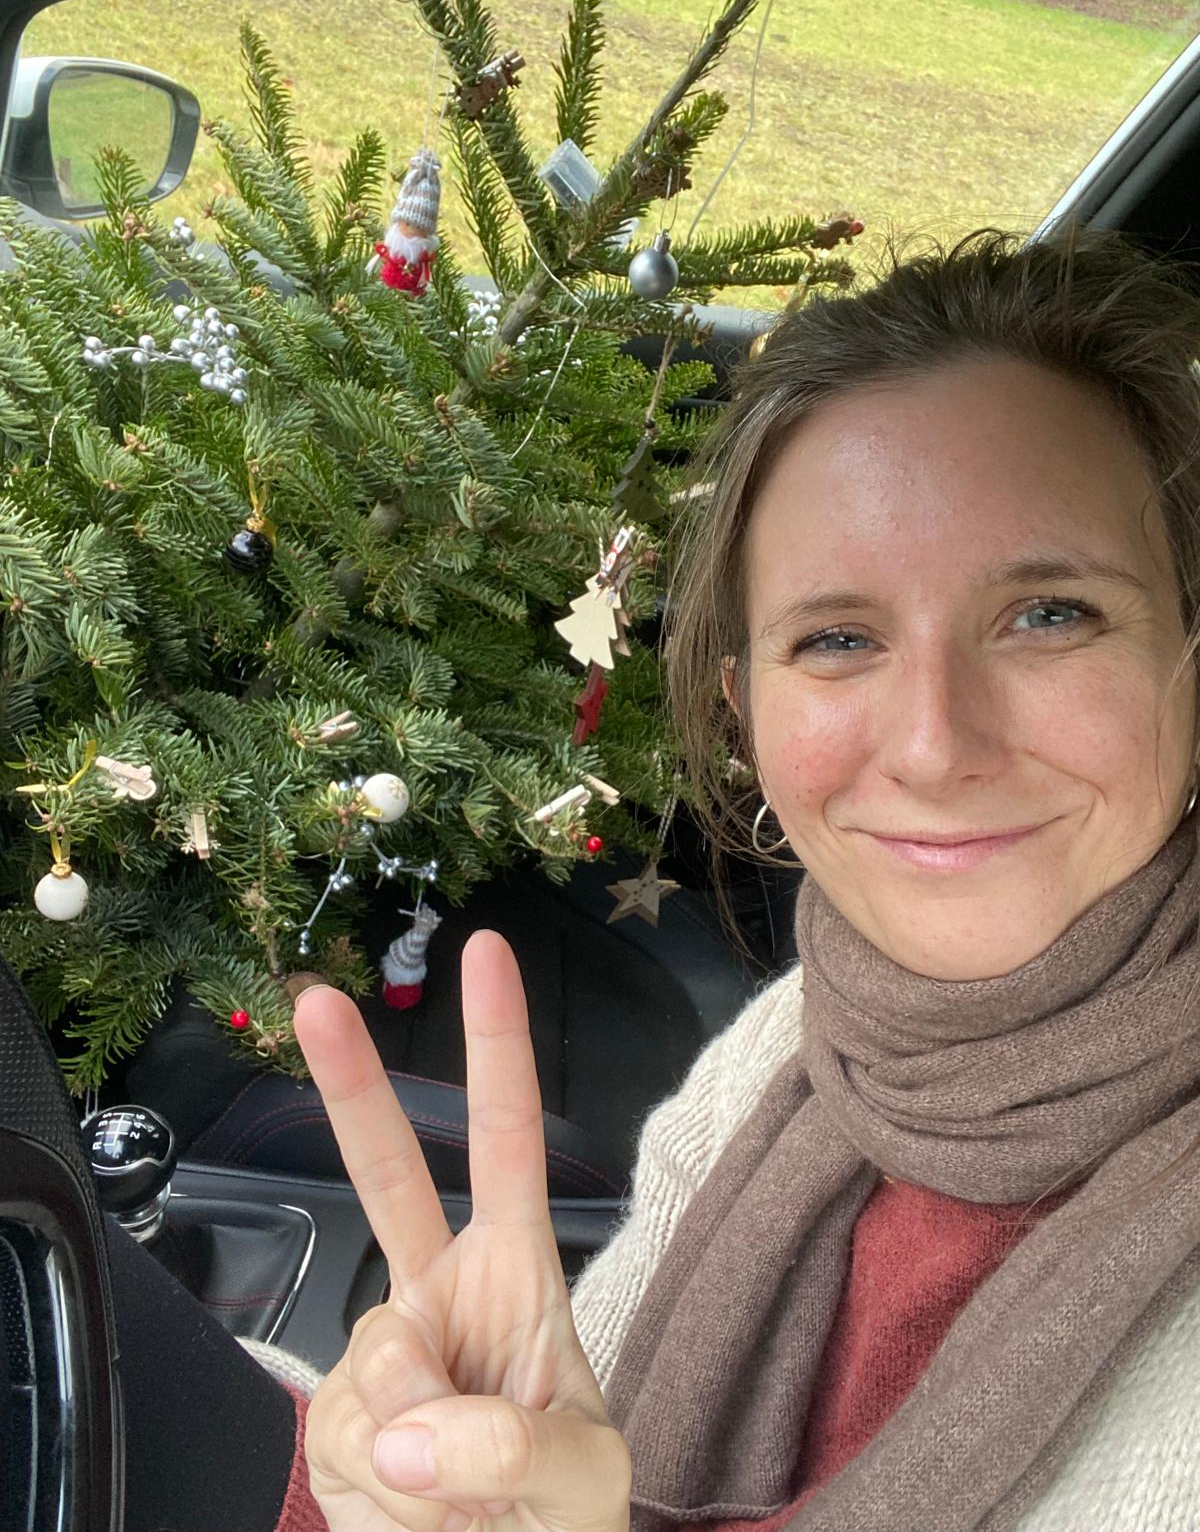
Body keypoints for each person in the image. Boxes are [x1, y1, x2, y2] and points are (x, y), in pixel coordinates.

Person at [287, 227, 1200, 1531]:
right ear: (745, 712)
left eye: (1050, 614)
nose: (935, 744)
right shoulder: (789, 1050)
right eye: (838, 639)